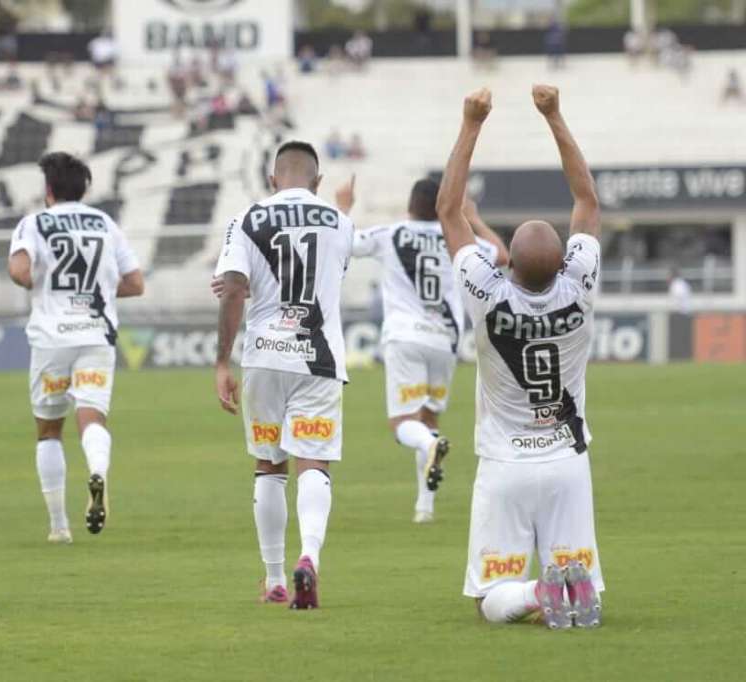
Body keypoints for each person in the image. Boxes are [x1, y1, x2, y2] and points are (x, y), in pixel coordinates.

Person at [437, 86, 605, 629]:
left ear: (511, 265)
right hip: (567, 463)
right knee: (576, 569)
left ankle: (537, 589)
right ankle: (568, 583)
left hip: (506, 464)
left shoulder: (486, 294)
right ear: (562, 264)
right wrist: (555, 115)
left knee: (491, 597)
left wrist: (471, 123)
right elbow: (587, 203)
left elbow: (448, 210)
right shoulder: (579, 286)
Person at [213, 141, 354, 609]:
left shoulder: (247, 219)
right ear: (318, 182)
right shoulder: (340, 222)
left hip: (265, 358)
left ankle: (274, 579)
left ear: (273, 179)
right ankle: (308, 557)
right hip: (319, 359)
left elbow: (232, 290)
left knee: (268, 466)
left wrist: (221, 362)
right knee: (313, 462)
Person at [338, 176, 507, 524]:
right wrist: (471, 217)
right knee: (428, 419)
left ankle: (430, 447)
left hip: (405, 336)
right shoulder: (457, 238)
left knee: (404, 423)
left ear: (410, 204)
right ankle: (424, 509)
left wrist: (344, 206)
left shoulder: (391, 234)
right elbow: (502, 255)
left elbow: (344, 243)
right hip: (444, 341)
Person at [7, 152, 145, 544]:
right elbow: (135, 283)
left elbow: (19, 271)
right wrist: (97, 290)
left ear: (48, 190)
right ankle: (97, 470)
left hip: (52, 339)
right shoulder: (105, 224)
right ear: (84, 189)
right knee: (92, 417)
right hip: (96, 335)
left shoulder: (33, 223)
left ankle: (59, 526)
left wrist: (38, 283)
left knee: (49, 430)